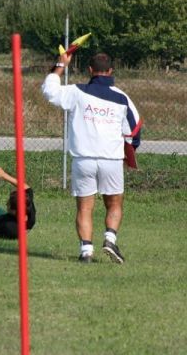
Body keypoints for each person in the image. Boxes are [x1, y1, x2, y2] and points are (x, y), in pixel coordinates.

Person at [41, 52, 141, 263]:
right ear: (111, 71)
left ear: (90, 70)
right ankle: (110, 239)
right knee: (114, 203)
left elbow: (49, 91)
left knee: (84, 207)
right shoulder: (122, 98)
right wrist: (129, 154)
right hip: (111, 160)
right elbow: (134, 130)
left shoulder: (76, 92)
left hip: (83, 159)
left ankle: (86, 251)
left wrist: (61, 65)